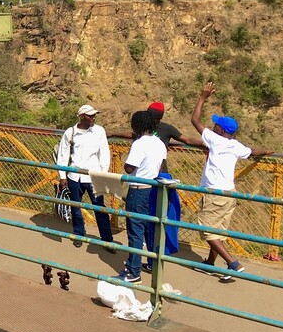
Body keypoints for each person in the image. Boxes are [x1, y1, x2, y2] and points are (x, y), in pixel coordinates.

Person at [190, 82, 272, 282]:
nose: (213, 125)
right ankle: (210, 264)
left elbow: (195, 120)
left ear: (220, 130)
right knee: (218, 230)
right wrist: (267, 151)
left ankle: (233, 264)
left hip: (214, 193)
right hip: (229, 193)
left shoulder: (215, 140)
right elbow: (253, 152)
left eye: (216, 124)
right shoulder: (236, 145)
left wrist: (202, 97)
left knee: (206, 230)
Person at [115, 111, 167, 283]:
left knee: (135, 231)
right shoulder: (159, 143)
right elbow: (162, 167)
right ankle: (152, 263)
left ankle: (133, 271)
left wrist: (125, 161)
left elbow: (129, 168)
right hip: (154, 189)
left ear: (136, 126)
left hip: (139, 189)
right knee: (148, 229)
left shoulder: (139, 144)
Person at [56, 104, 114, 247]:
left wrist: (102, 174)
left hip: (94, 175)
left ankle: (107, 240)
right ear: (82, 116)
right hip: (74, 175)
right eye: (90, 115)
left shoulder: (99, 131)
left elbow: (104, 154)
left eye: (94, 115)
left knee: (99, 207)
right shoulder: (70, 132)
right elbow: (63, 155)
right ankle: (79, 234)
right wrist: (62, 175)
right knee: (76, 206)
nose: (93, 118)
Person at [112, 101, 204, 172]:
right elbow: (132, 134)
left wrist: (205, 143)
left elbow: (187, 140)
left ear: (158, 118)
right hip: (142, 169)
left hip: (159, 170)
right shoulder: (145, 126)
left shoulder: (167, 129)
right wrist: (113, 134)